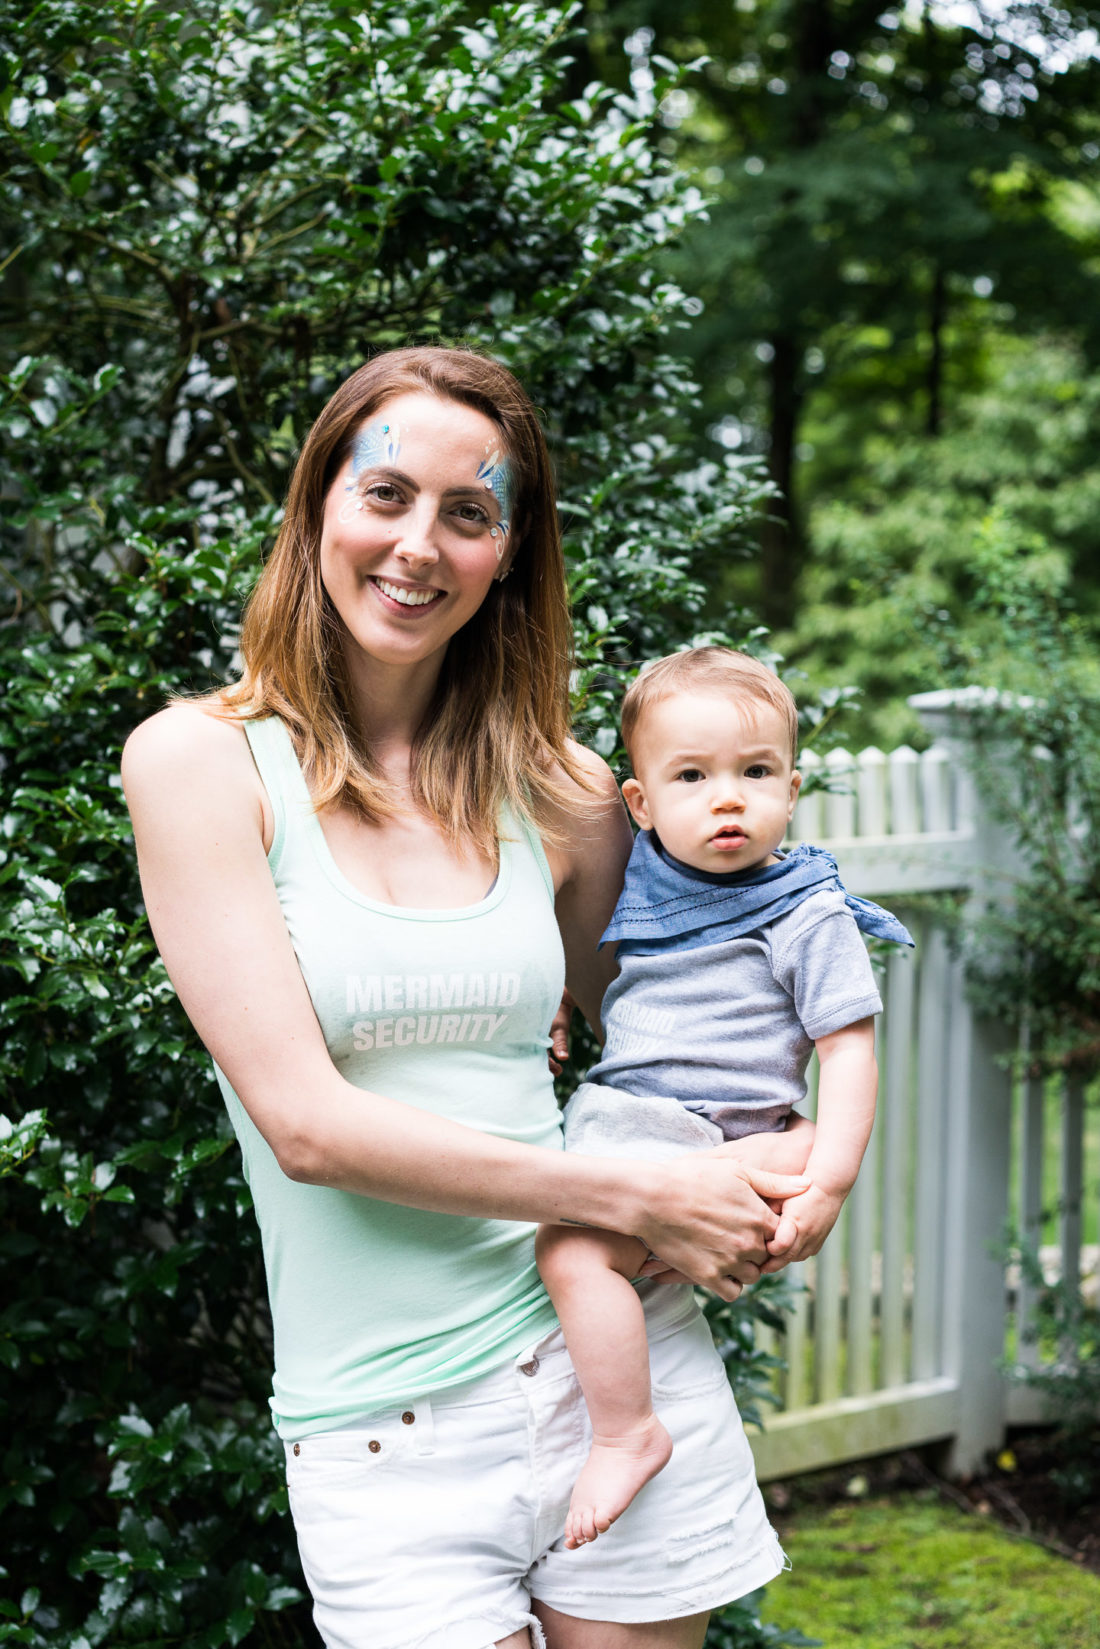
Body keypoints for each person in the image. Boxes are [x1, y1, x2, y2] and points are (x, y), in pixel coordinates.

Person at [121, 349, 815, 1649]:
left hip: (610, 1366)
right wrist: (633, 1194)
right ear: (319, 503)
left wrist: (775, 1174)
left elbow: (675, 1038)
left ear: (511, 550)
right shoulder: (203, 765)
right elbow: (307, 1126)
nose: (417, 544)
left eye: (470, 512)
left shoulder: (562, 788)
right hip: (381, 1426)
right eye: (385, 493)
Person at [536, 647, 914, 1551]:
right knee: (592, 1249)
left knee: (571, 1253)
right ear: (640, 805)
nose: (729, 797)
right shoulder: (650, 882)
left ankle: (630, 1433)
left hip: (735, 1135)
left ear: (792, 785)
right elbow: (568, 929)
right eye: (693, 776)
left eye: (756, 772)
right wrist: (550, 989)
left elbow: (849, 1050)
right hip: (641, 1123)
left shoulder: (804, 909)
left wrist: (828, 1179)